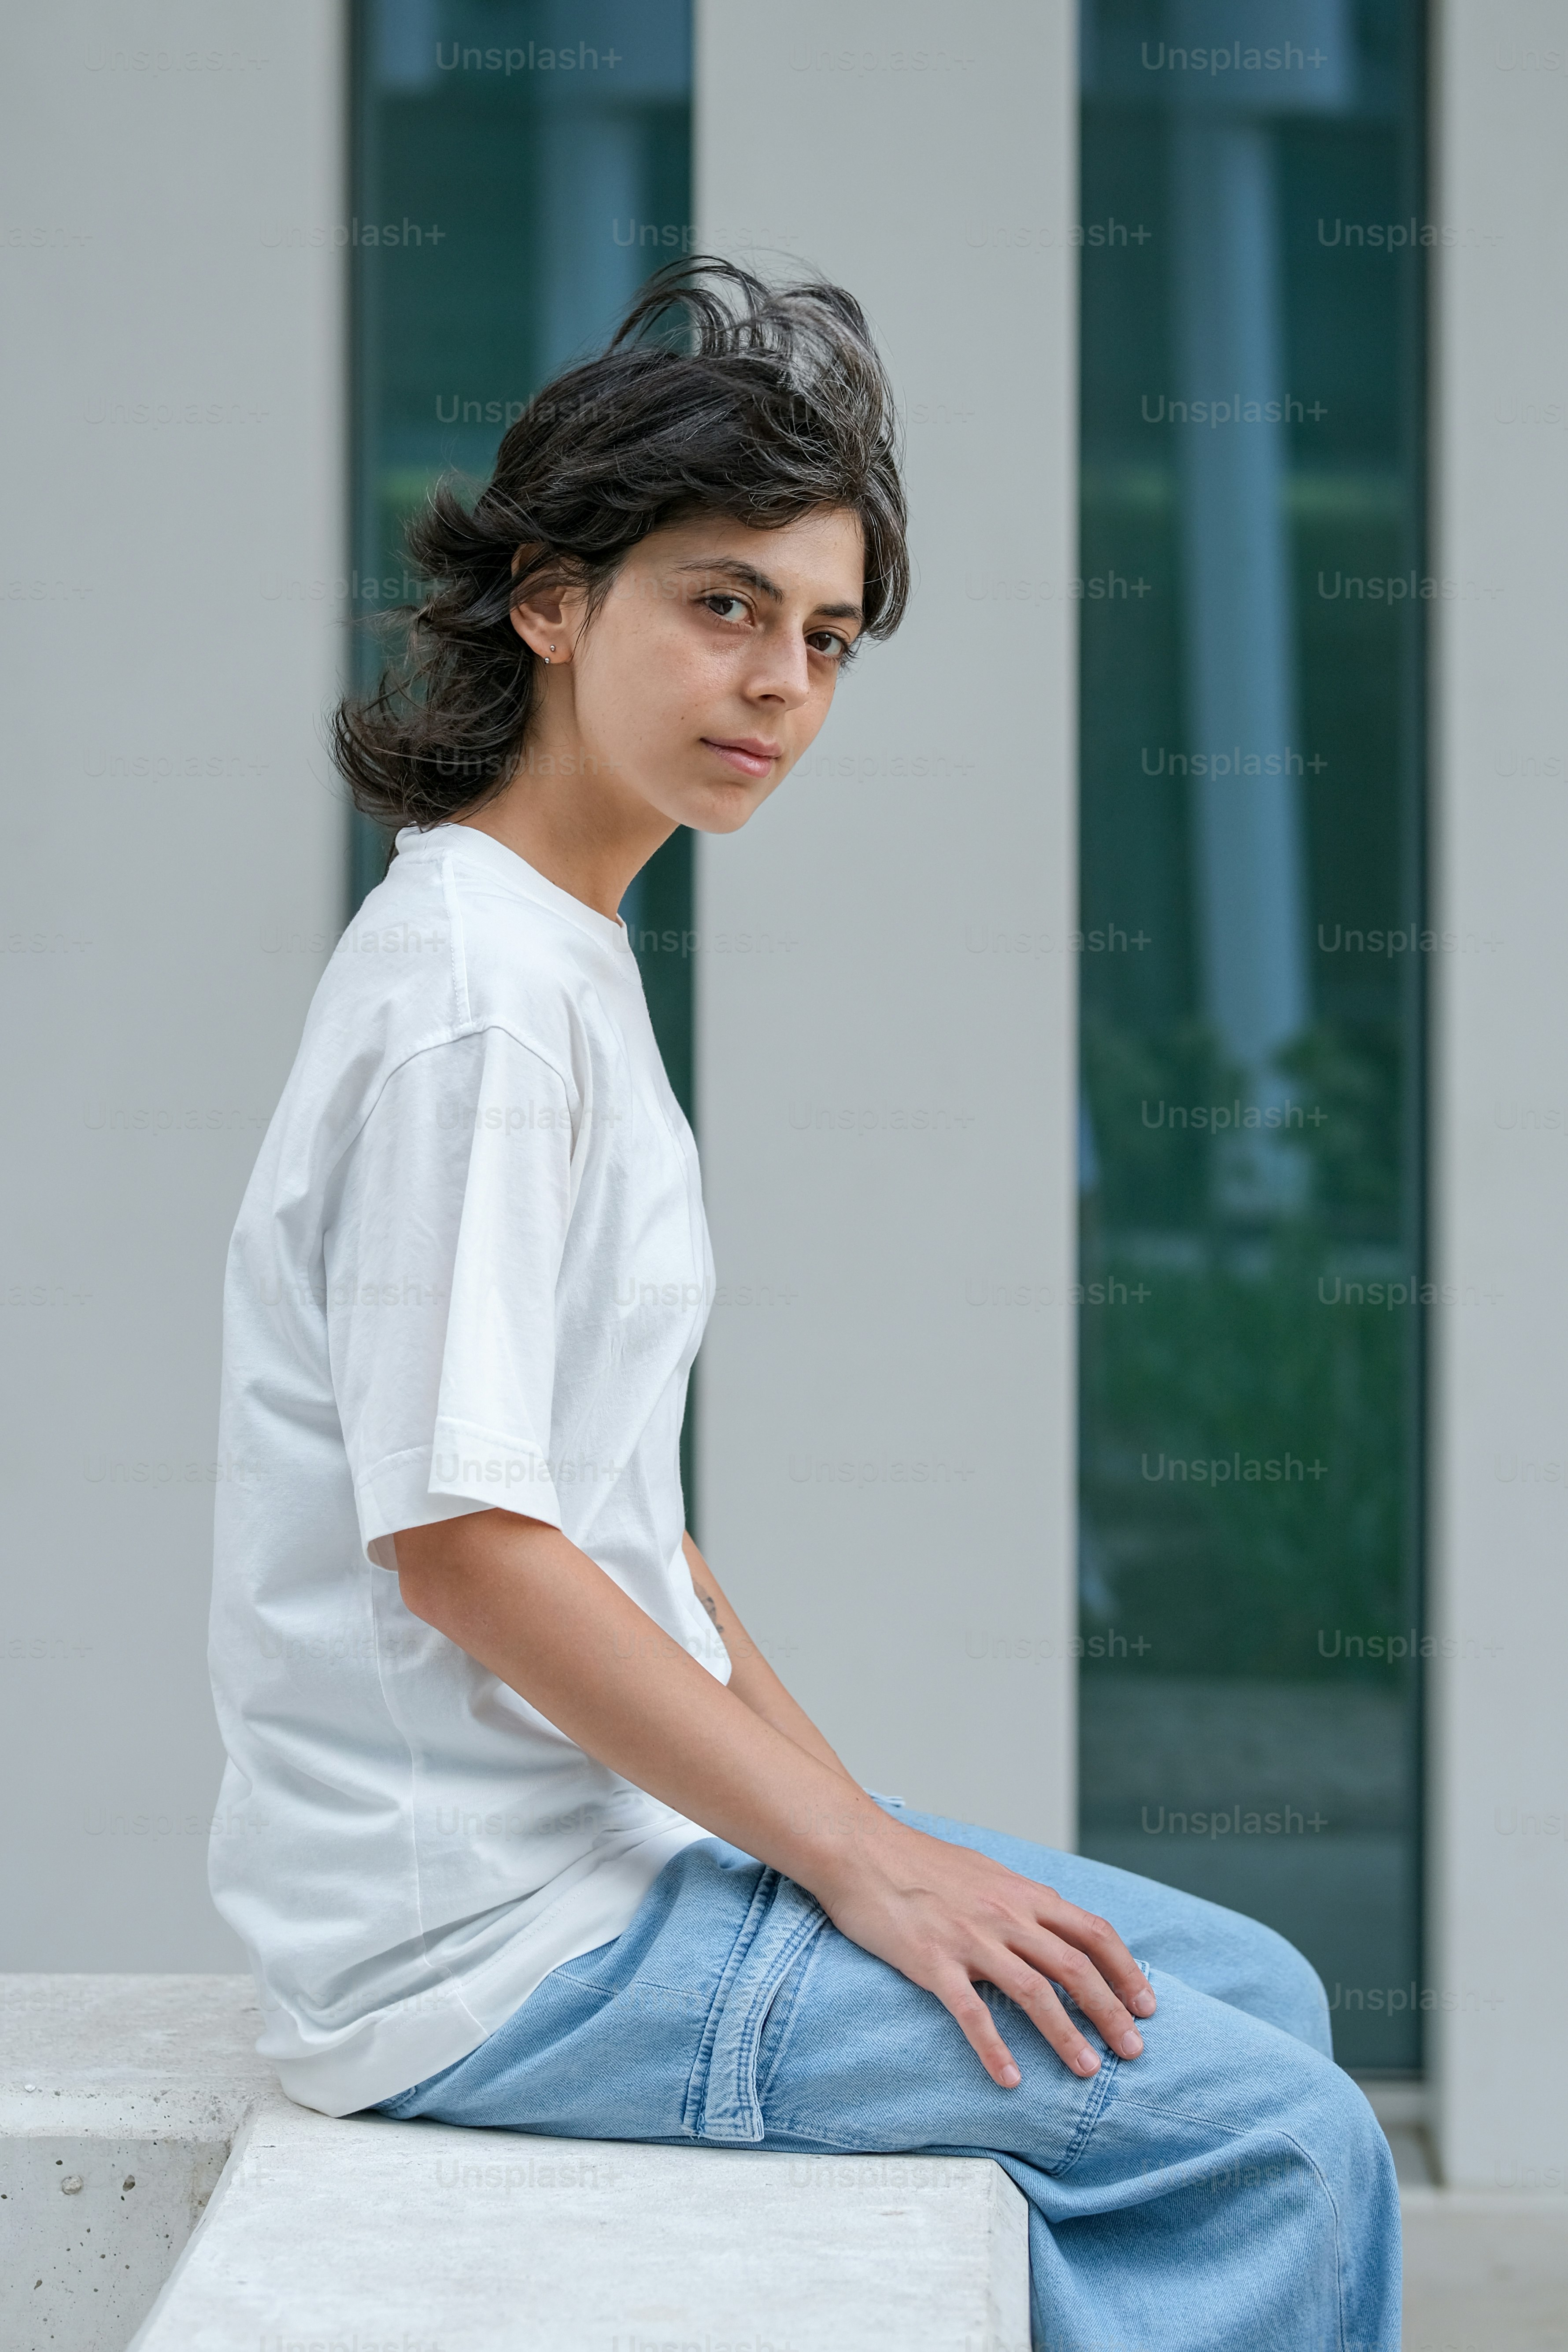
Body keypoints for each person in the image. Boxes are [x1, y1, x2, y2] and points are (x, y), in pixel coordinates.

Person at [207, 261, 1399, 2352]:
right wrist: (855, 1867)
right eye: (722, 604)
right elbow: (466, 1548)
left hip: (609, 1860)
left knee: (1254, 2000)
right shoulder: (475, 1007)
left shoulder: (562, 957)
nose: (778, 683)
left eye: (825, 639)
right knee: (1283, 2146)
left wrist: (868, 1836)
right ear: (549, 603)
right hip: (482, 1952)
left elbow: (618, 1521)